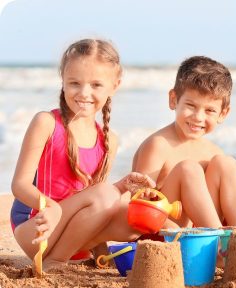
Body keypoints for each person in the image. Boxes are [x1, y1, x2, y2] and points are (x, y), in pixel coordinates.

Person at [10, 38, 154, 271]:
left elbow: (94, 200)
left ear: (114, 86)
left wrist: (122, 187)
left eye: (96, 85)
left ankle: (64, 254)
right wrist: (50, 206)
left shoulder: (109, 140)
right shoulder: (46, 122)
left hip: (75, 237)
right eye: (74, 83)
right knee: (107, 195)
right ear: (63, 81)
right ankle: (55, 261)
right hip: (37, 229)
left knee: (135, 218)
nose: (84, 93)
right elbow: (19, 185)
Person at [133, 56, 236, 230]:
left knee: (227, 164)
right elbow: (139, 204)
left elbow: (216, 203)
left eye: (209, 110)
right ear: (173, 100)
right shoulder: (158, 145)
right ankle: (219, 240)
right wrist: (181, 231)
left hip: (202, 232)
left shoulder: (212, 152)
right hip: (167, 233)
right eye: (191, 105)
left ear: (223, 114)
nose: (198, 117)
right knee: (188, 169)